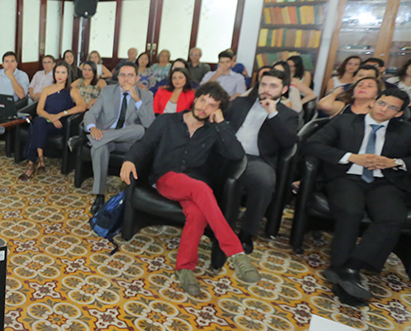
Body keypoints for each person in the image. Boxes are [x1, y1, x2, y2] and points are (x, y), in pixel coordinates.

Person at [119, 82, 260, 296]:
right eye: (203, 100)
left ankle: (184, 268)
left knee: (196, 213)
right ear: (195, 98)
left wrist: (222, 124)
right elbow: (144, 144)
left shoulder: (214, 131)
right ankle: (235, 251)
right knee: (202, 189)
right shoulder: (167, 121)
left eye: (212, 105)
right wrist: (129, 160)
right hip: (166, 178)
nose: (204, 107)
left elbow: (236, 155)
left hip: (193, 185)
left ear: (217, 110)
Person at [305, 86, 411, 303]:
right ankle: (346, 272)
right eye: (382, 103)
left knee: (393, 217)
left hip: (385, 181)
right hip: (346, 177)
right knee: (349, 211)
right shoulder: (345, 121)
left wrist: (396, 162)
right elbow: (313, 144)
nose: (384, 110)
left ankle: (350, 268)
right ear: (374, 102)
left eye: (392, 108)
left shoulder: (406, 131)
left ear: (399, 113)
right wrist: (351, 157)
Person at [226, 69, 300, 253]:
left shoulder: (287, 114)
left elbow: (289, 142)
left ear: (283, 90)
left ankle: (246, 233)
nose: (266, 89)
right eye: (264, 84)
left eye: (273, 86)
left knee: (264, 181)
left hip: (256, 160)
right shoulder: (241, 103)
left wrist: (272, 114)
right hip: (227, 154)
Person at [84, 61, 155, 214]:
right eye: (122, 75)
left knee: (140, 129)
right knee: (100, 147)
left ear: (136, 78)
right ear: (118, 77)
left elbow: (150, 124)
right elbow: (91, 113)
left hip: (129, 141)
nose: (126, 79)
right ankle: (99, 195)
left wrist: (137, 100)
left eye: (130, 76)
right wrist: (93, 128)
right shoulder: (108, 91)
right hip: (107, 140)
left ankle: (99, 137)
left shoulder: (146, 95)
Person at [19, 62, 86, 180]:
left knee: (36, 125)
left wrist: (60, 115)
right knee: (38, 122)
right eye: (57, 72)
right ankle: (37, 159)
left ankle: (34, 162)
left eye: (63, 72)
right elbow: (39, 109)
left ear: (68, 75)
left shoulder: (72, 90)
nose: (60, 75)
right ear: (54, 74)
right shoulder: (47, 89)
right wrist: (51, 117)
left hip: (61, 124)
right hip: (46, 120)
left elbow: (82, 107)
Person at [317, 75, 383, 117]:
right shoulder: (343, 107)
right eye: (360, 85)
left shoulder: (379, 112)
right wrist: (334, 93)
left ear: (377, 94)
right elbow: (324, 105)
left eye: (369, 86)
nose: (363, 87)